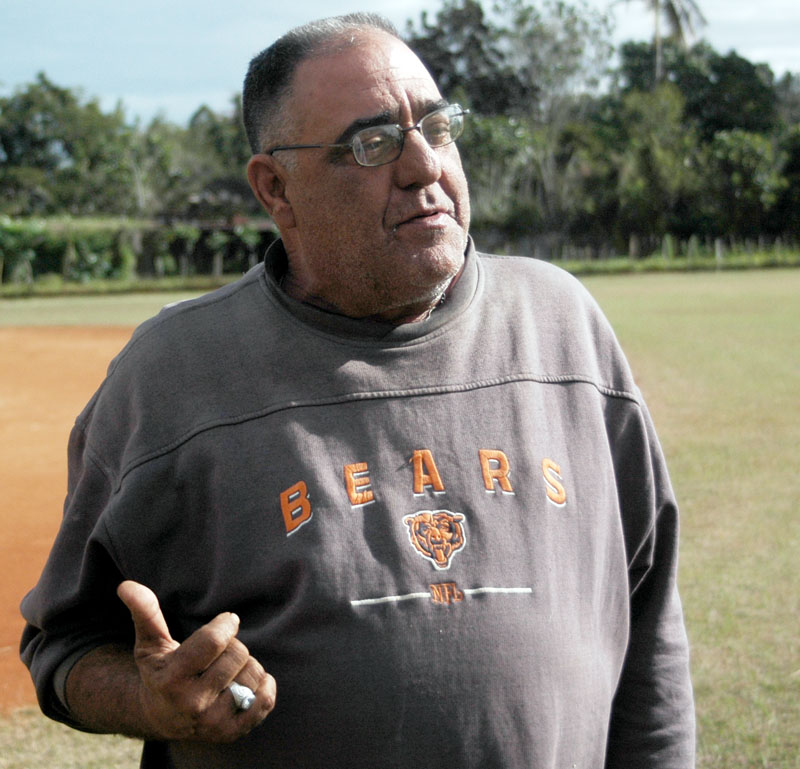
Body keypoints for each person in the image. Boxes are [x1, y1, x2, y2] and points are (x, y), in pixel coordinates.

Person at [20, 12, 695, 768]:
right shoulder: (173, 375)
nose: (422, 165)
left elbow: (648, 614)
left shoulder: (563, 326)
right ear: (277, 188)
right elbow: (66, 644)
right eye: (371, 143)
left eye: (437, 127)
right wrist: (147, 698)